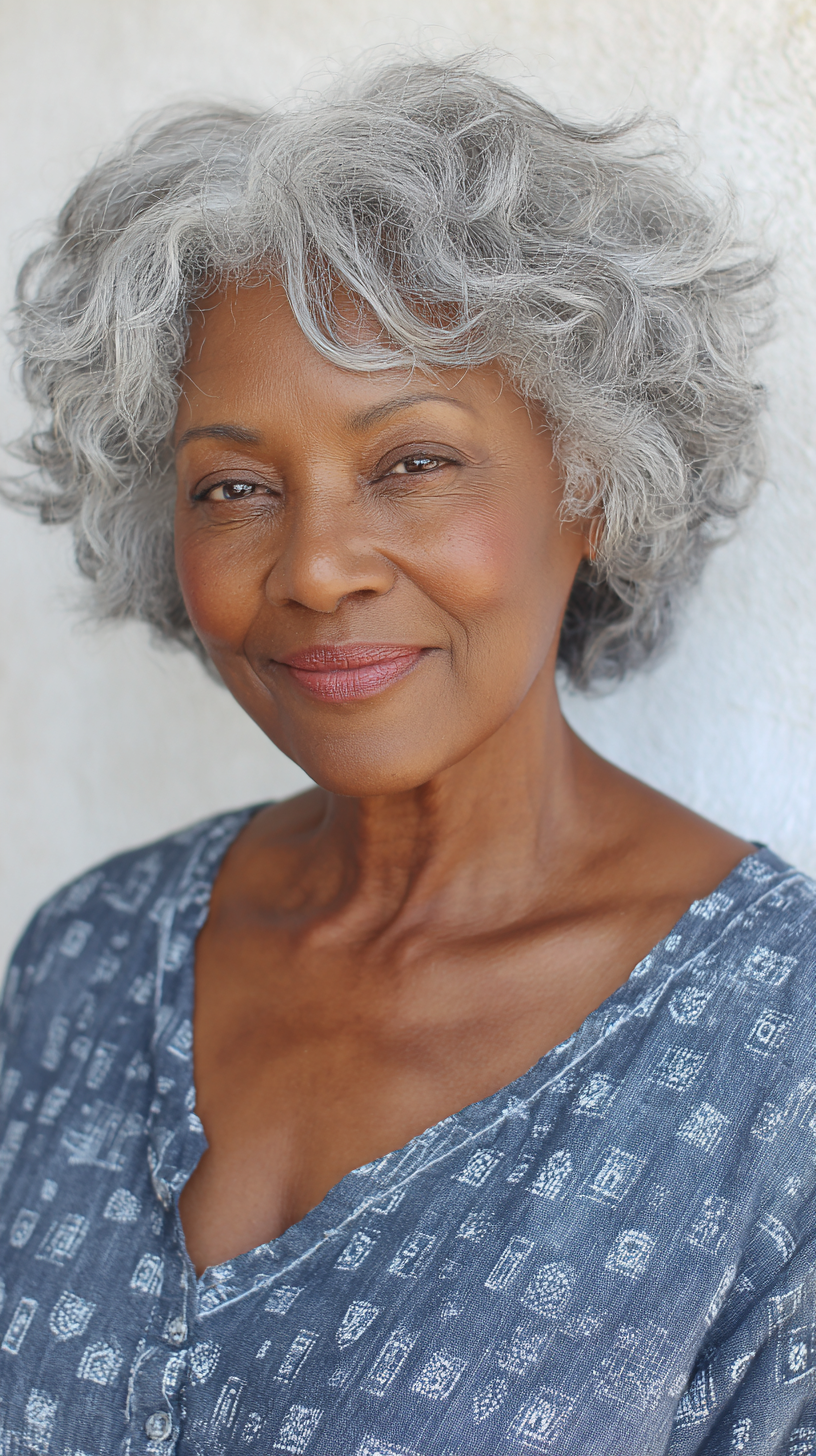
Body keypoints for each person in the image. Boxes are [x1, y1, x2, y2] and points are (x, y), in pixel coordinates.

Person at [0, 53, 812, 1456]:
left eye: (411, 463)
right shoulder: (86, 953)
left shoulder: (779, 1048)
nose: (314, 568)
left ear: (596, 481)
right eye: (235, 487)